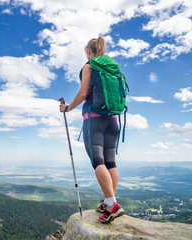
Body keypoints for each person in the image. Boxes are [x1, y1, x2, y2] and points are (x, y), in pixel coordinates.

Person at [59, 36, 125, 223]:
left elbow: (83, 93)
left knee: (98, 162)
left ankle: (112, 204)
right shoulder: (112, 69)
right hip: (113, 121)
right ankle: (109, 200)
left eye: (85, 51)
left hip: (94, 121)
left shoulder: (89, 67)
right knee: (111, 162)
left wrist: (68, 108)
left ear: (89, 51)